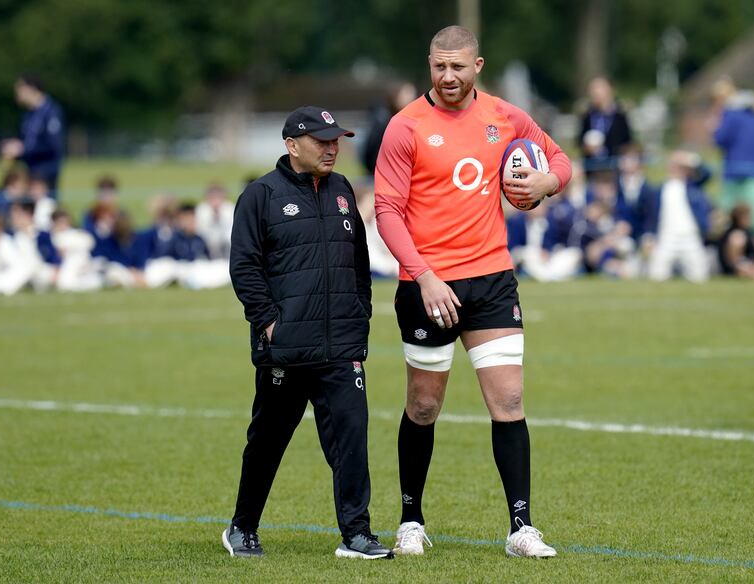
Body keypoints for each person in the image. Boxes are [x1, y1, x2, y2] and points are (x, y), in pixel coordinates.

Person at [374, 25, 571, 558]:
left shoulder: (505, 117)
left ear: (477, 66)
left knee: (508, 400)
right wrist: (425, 274)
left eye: (458, 66)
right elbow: (388, 212)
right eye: (439, 66)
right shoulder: (405, 127)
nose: (448, 76)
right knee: (423, 405)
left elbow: (559, 161)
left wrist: (543, 185)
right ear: (429, 66)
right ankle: (410, 521)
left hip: (490, 278)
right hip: (426, 285)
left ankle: (521, 528)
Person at [225, 106, 392, 560]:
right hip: (286, 348)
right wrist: (268, 321)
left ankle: (357, 535)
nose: (332, 147)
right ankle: (242, 527)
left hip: (341, 347)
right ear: (292, 145)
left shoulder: (342, 190)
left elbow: (359, 262)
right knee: (268, 442)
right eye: (322, 140)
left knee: (352, 439)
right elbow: (244, 266)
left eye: (336, 139)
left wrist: (360, 315)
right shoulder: (261, 195)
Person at [711, 78, 754, 241]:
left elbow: (720, 139)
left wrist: (715, 124)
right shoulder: (753, 112)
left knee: (727, 215)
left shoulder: (729, 114)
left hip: (735, 171)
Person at [640, 151, 712, 283]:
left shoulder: (693, 187)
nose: (676, 170)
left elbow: (708, 173)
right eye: (674, 166)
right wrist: (648, 237)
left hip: (690, 237)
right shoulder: (659, 190)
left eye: (680, 167)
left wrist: (690, 159)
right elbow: (650, 216)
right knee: (656, 274)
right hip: (666, 237)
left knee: (700, 276)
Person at [0, 75, 65, 193]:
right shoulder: (28, 114)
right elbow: (25, 141)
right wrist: (14, 147)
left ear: (32, 89)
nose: (17, 94)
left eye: (20, 89)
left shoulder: (51, 112)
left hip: (45, 173)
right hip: (30, 171)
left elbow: (53, 146)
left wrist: (23, 149)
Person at [577, 77, 632, 176]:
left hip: (614, 168)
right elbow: (579, 140)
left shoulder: (620, 116)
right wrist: (587, 147)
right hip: (592, 169)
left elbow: (627, 141)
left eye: (599, 88)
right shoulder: (587, 116)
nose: (596, 93)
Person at [717, 204, 754, 281]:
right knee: (738, 238)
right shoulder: (732, 233)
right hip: (732, 266)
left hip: (746, 262)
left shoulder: (748, 232)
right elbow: (724, 257)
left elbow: (753, 253)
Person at [195, 182, 235, 260]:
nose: (215, 199)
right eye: (212, 196)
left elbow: (231, 228)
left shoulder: (230, 208)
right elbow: (200, 229)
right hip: (207, 243)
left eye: (218, 196)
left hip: (227, 245)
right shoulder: (202, 209)